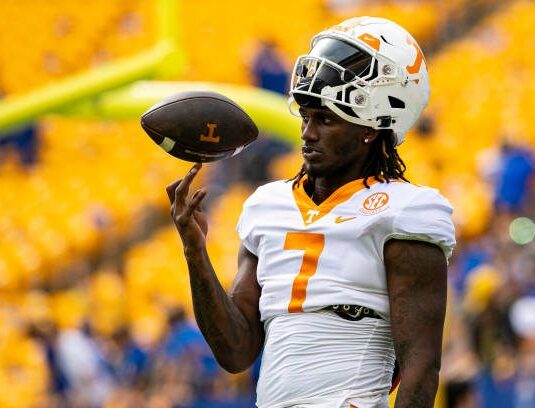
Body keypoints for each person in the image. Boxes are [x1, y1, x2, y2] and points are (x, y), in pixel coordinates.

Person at [166, 17, 456, 407]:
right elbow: (235, 351)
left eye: (326, 119)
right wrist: (194, 251)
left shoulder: (407, 211)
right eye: (305, 116)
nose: (307, 133)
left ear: (369, 127)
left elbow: (421, 368)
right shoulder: (266, 207)